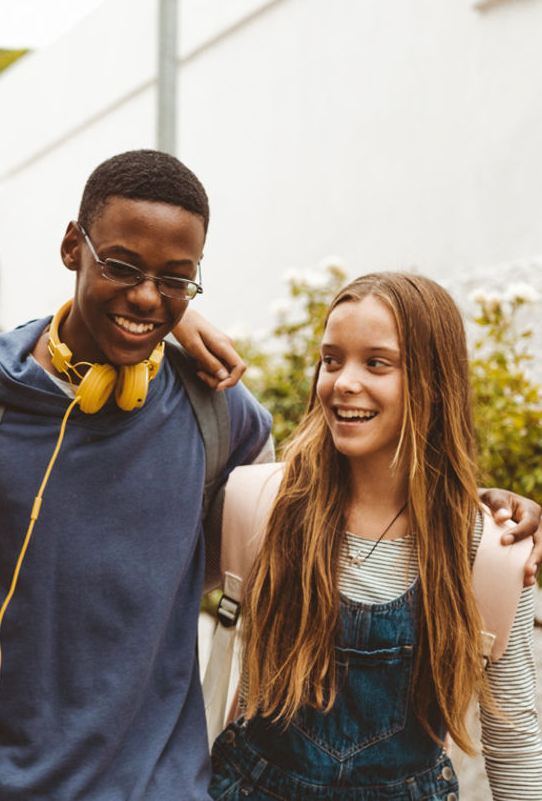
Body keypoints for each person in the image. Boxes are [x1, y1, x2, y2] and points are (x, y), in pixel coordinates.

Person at [0, 150, 542, 800]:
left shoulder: (224, 420)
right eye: (122, 266)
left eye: (176, 280)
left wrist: (472, 518)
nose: (147, 297)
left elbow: (334, 513)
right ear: (72, 246)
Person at [209, 272, 542, 799]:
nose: (342, 381)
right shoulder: (267, 506)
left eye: (377, 362)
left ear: (434, 381)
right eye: (332, 359)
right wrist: (177, 314)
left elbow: (515, 738)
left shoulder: (490, 549)